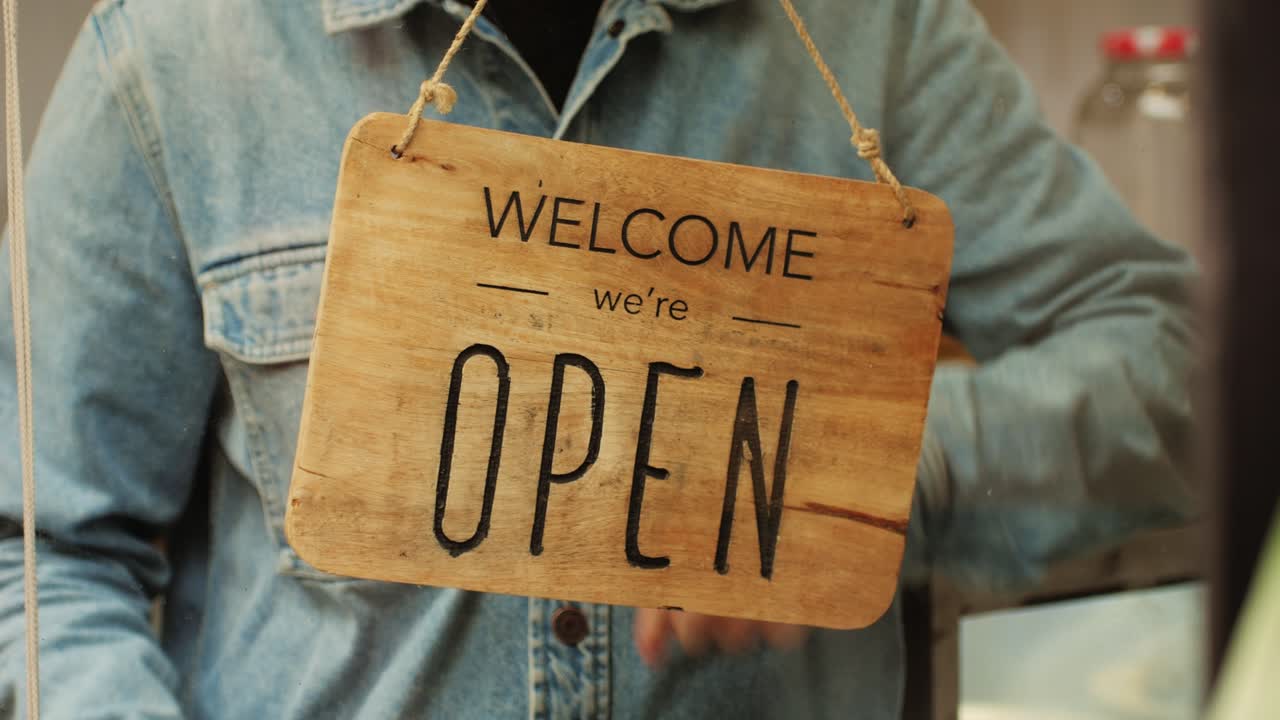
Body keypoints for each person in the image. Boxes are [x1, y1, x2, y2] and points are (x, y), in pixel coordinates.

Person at [0, 0, 1195, 717]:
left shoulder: (868, 31)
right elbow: (37, 550)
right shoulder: (173, 47)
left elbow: (1182, 370)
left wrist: (862, 475)